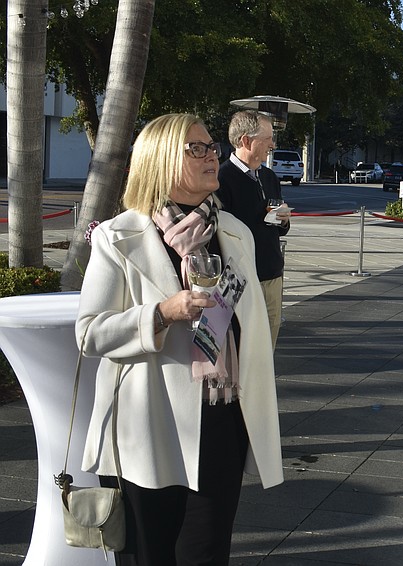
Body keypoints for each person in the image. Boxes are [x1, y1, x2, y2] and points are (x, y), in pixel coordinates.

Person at [75, 113, 283, 566]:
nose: (213, 155)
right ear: (163, 159)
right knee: (150, 555)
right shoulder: (119, 237)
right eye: (198, 148)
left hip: (220, 421)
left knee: (206, 553)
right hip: (148, 426)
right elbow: (90, 333)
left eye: (212, 146)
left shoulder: (234, 233)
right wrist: (161, 314)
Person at [216, 110, 291, 347]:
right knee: (240, 351)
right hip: (240, 279)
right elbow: (220, 234)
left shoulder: (269, 177)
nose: (273, 144)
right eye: (267, 138)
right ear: (246, 141)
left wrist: (284, 220)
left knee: (267, 351)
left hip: (272, 276)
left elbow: (276, 228)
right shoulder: (221, 179)